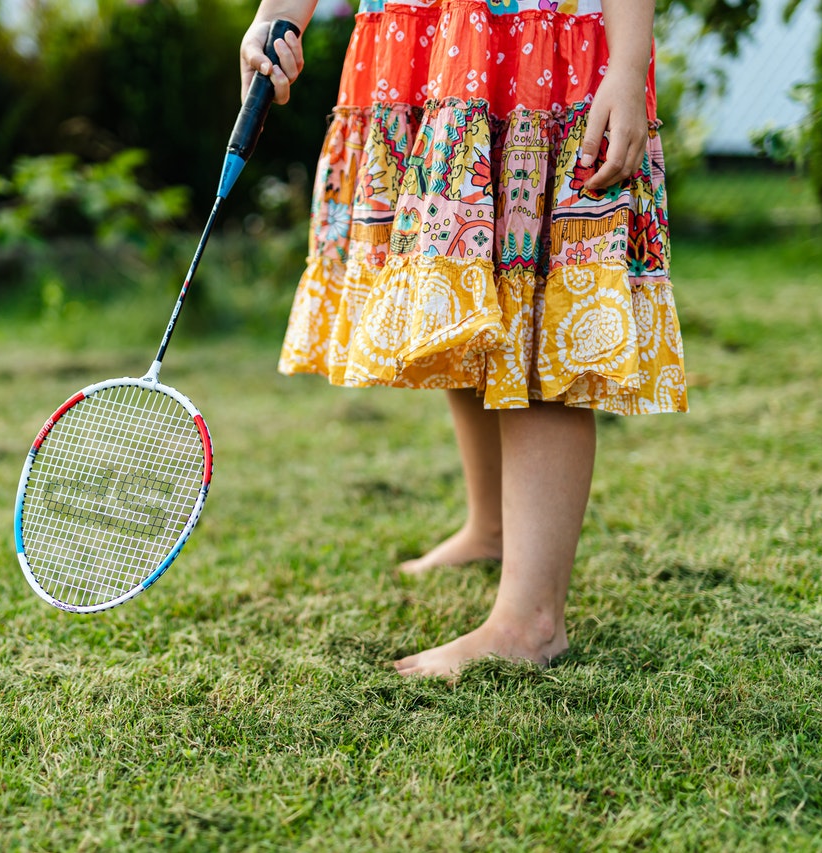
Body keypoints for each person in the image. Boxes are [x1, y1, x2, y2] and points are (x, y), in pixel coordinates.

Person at [240, 0, 687, 677]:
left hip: (545, 43)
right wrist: (278, 15)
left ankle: (532, 622)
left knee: (535, 308)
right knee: (458, 282)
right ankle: (491, 528)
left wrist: (627, 65)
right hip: (428, 43)